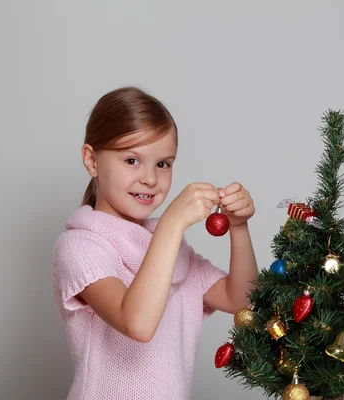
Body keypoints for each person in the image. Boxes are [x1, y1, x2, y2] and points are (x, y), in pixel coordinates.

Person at [52, 86, 259, 399]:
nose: (150, 178)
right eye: (132, 160)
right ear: (92, 160)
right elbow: (138, 324)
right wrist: (171, 224)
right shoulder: (81, 246)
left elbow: (242, 302)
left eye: (163, 164)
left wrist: (238, 227)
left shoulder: (173, 249)